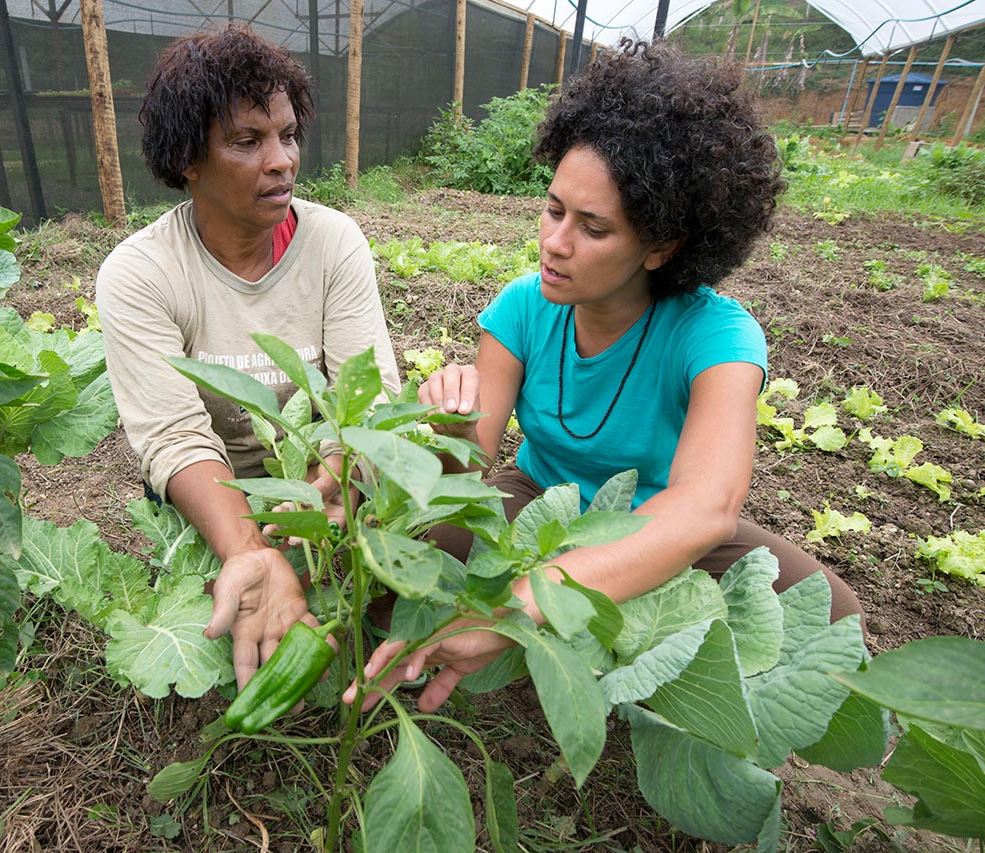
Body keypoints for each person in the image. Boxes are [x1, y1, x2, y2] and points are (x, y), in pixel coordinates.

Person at [345, 40, 863, 714]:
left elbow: (705, 506)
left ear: (662, 247)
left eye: (593, 228)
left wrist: (521, 605)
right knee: (409, 549)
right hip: (539, 504)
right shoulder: (521, 308)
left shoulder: (716, 336)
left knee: (830, 614)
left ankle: (563, 615)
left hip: (654, 521)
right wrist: (449, 425)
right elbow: (466, 469)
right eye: (554, 209)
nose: (555, 242)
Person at [96, 26, 400, 690]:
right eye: (247, 141)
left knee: (380, 594)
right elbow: (174, 437)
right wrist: (249, 547)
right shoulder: (141, 273)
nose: (282, 160)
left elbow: (368, 399)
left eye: (288, 135)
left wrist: (331, 484)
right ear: (187, 159)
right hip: (214, 491)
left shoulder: (334, 243)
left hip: (320, 483)